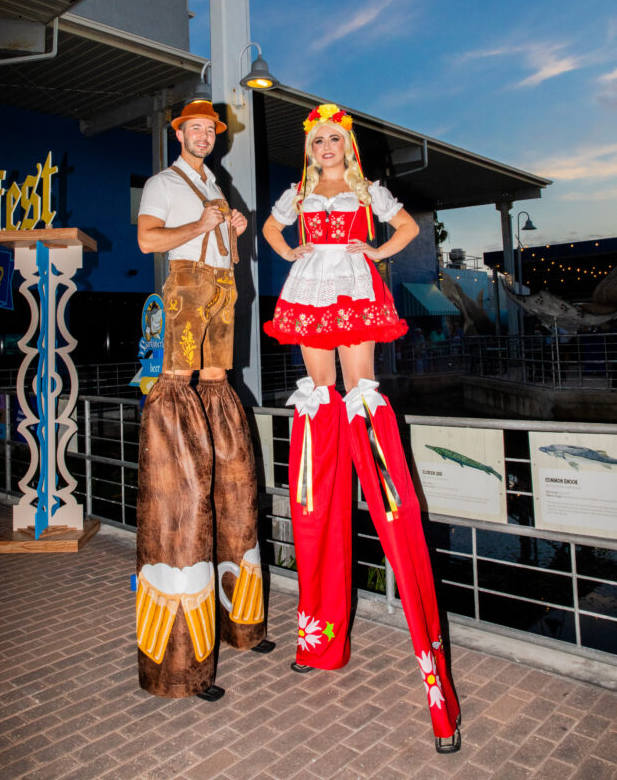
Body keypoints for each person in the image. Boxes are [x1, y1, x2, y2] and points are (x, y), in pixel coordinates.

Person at [262, 103, 460, 753]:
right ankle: (319, 641)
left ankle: (365, 434)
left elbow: (404, 228)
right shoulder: (297, 191)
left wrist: (372, 247)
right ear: (309, 147)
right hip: (309, 280)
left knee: (360, 394)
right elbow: (270, 229)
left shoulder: (364, 189)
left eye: (331, 140)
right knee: (319, 400)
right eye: (316, 140)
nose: (323, 147)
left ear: (344, 146)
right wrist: (291, 246)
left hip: (352, 276)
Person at [136, 99, 274, 702]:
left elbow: (222, 227)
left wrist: (234, 225)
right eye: (194, 129)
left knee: (218, 379)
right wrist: (203, 223)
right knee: (183, 378)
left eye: (209, 131)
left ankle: (240, 624)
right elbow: (148, 242)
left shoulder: (213, 179)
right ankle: (182, 660)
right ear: (179, 134)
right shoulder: (165, 182)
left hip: (223, 283)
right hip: (187, 280)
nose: (203, 137)